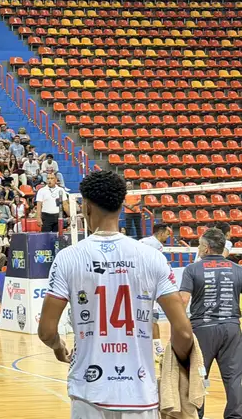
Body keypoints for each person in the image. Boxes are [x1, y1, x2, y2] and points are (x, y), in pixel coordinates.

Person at [38, 170, 193, 419]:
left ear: (85, 206)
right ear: (122, 205)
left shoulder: (68, 258)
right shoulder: (152, 257)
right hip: (140, 394)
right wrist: (180, 365)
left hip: (88, 390)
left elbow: (46, 331)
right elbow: (184, 332)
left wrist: (59, 348)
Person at [179, 228, 242, 419]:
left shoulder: (192, 269)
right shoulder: (238, 270)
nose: (198, 248)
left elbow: (182, 301)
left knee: (198, 376)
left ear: (206, 248)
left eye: (199, 244)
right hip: (231, 328)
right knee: (234, 377)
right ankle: (235, 416)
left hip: (203, 329)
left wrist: (180, 331)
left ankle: (196, 415)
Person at [140, 224, 172, 359]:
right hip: (147, 285)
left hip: (136, 283)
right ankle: (158, 350)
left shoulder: (142, 241)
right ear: (161, 232)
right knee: (153, 318)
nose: (168, 236)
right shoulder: (157, 245)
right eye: (167, 233)